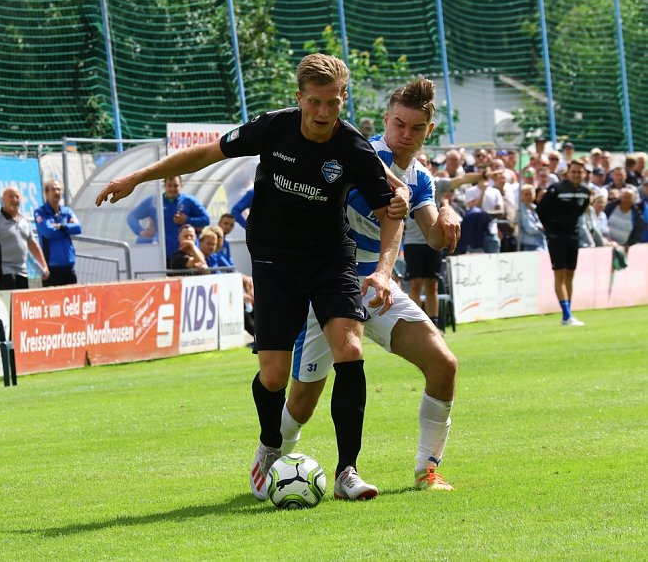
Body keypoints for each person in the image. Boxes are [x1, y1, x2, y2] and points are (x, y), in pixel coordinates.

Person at [96, 53, 408, 502]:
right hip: (275, 262)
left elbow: (391, 211)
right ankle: (270, 445)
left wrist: (382, 270)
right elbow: (205, 154)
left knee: (350, 351)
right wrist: (137, 177)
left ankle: (348, 471)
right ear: (299, 97)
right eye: (314, 102)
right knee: (274, 375)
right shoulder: (273, 128)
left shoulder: (353, 148)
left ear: (343, 99)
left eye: (332, 103)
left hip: (330, 260)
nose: (323, 112)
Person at [281, 78, 461, 495]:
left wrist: (449, 212)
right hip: (327, 284)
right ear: (385, 119)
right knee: (302, 403)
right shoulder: (358, 154)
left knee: (443, 364)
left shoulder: (420, 178)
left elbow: (435, 237)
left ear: (429, 130)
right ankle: (271, 457)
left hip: (376, 286)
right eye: (399, 124)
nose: (406, 135)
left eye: (416, 128)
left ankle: (427, 470)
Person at [536, 161, 591, 325]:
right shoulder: (556, 189)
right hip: (556, 237)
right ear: (568, 173)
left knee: (570, 274)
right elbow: (541, 209)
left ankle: (569, 313)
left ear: (584, 174)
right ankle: (566, 314)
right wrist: (550, 228)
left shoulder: (585, 192)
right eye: (573, 172)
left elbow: (580, 210)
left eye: (579, 172)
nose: (576, 175)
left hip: (573, 236)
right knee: (559, 273)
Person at [125, 175, 210, 267]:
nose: (172, 189)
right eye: (169, 185)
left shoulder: (189, 201)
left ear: (181, 185)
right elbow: (131, 217)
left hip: (185, 253)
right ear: (164, 186)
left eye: (175, 186)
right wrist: (140, 231)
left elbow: (206, 219)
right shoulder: (154, 202)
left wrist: (187, 219)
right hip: (162, 253)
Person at [0, 186, 49, 290]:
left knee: (22, 300)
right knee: (9, 300)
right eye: (11, 197)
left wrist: (44, 266)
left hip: (22, 273)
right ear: (3, 200)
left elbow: (33, 244)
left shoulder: (24, 221)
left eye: (17, 197)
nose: (14, 200)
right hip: (5, 273)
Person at [34, 180, 82, 287]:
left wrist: (61, 227)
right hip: (51, 269)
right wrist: (68, 229)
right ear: (46, 193)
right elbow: (49, 232)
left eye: (59, 189)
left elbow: (78, 228)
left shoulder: (67, 211)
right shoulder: (40, 212)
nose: (57, 192)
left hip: (69, 268)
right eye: (53, 189)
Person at [517, 185, 546, 251]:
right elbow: (530, 229)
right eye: (526, 194)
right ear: (521, 196)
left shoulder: (535, 208)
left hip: (541, 242)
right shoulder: (521, 210)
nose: (528, 197)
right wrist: (541, 228)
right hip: (530, 245)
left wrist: (540, 226)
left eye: (530, 194)